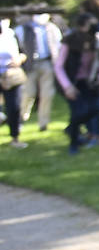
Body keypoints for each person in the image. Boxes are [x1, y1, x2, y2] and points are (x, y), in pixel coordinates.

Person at [54, 12, 99, 155]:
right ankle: (73, 144)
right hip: (72, 82)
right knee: (77, 112)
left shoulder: (97, 40)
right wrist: (67, 87)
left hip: (89, 82)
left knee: (96, 109)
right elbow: (59, 66)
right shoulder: (70, 40)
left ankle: (71, 129)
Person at [19, 12, 62, 131]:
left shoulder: (51, 28)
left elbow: (58, 45)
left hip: (47, 62)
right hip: (31, 64)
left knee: (46, 95)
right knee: (28, 93)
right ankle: (21, 118)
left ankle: (43, 122)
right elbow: (20, 45)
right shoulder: (24, 28)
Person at [0, 15, 27, 148]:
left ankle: (15, 137)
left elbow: (23, 52)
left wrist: (19, 59)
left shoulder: (11, 35)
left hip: (11, 75)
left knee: (14, 107)